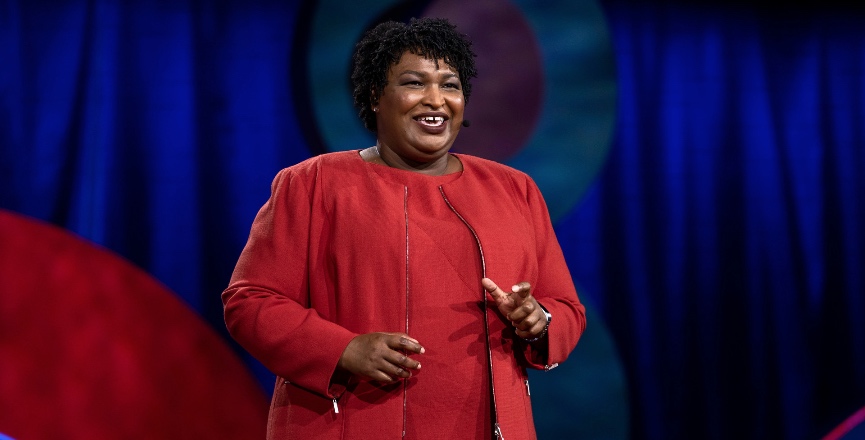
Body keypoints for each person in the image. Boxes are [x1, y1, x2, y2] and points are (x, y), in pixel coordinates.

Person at [222, 17, 586, 440]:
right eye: (415, 83)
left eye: (450, 85)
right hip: (349, 424)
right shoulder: (314, 182)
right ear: (376, 95)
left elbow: (566, 309)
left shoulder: (514, 189)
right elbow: (250, 302)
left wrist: (537, 320)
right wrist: (343, 349)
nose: (436, 100)